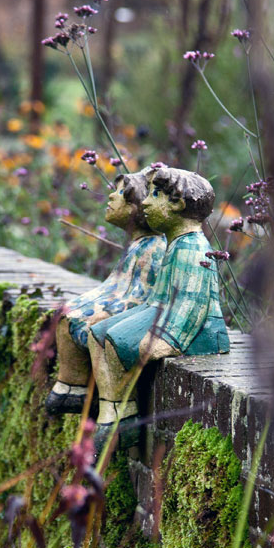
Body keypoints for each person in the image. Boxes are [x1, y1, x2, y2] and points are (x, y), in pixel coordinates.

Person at [87, 166, 229, 453]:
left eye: (154, 195)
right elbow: (160, 297)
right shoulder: (176, 244)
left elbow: (191, 307)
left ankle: (122, 420)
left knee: (118, 342)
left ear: (177, 204)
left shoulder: (193, 249)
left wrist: (166, 341)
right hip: (160, 309)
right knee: (97, 333)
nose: (147, 203)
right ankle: (112, 412)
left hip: (197, 329)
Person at [45, 166, 166, 415]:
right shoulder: (135, 246)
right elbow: (110, 288)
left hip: (138, 314)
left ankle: (109, 404)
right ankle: (71, 387)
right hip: (122, 304)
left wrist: (93, 310)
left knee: (92, 322)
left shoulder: (154, 247)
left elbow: (139, 295)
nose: (111, 196)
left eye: (122, 193)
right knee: (67, 315)